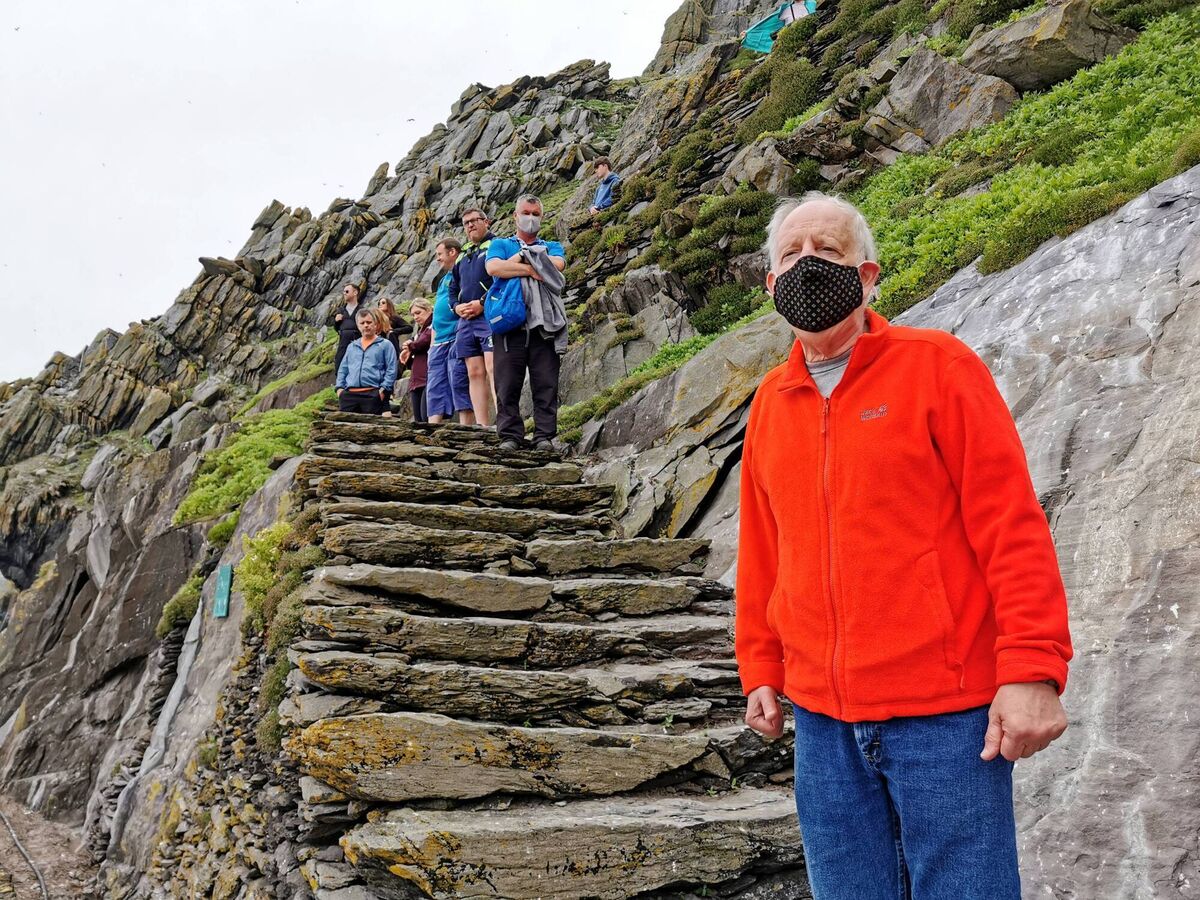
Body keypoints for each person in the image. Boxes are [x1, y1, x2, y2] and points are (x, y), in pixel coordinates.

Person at [736, 192, 1072, 900]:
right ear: (770, 285)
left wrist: (1033, 668)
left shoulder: (938, 367)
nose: (807, 266)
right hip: (823, 729)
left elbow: (1009, 522)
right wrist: (760, 666)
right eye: (790, 256)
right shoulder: (770, 401)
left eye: (827, 252)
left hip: (946, 718)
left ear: (867, 276)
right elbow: (764, 549)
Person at [484, 195, 567, 450]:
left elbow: (558, 265)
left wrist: (519, 261)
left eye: (535, 213)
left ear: (541, 217)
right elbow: (494, 268)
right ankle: (510, 436)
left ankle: (544, 436)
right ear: (515, 216)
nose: (530, 218)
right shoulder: (500, 243)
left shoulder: (553, 245)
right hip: (510, 325)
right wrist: (532, 267)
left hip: (545, 325)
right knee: (507, 383)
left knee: (546, 382)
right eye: (525, 212)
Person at [448, 209, 497, 426]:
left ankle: (504, 421)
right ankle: (482, 425)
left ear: (486, 221)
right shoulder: (463, 255)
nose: (469, 225)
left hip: (488, 316)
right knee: (474, 372)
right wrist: (457, 308)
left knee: (493, 367)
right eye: (466, 223)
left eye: (474, 221)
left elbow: (502, 280)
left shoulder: (496, 245)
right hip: (465, 320)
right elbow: (452, 289)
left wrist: (482, 303)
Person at [426, 238, 475, 425]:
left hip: (456, 335)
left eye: (440, 254)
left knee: (459, 381)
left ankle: (466, 427)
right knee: (435, 384)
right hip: (439, 340)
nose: (438, 259)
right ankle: (434, 425)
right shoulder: (443, 279)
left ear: (452, 252)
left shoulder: (463, 272)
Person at [335, 307, 398, 416]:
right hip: (350, 395)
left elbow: (391, 369)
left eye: (369, 322)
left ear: (375, 324)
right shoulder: (352, 346)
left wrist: (383, 391)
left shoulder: (385, 345)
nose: (366, 325)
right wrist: (339, 389)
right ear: (358, 326)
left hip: (373, 393)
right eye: (362, 323)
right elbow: (343, 369)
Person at [400, 299, 433, 423]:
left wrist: (410, 346)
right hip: (416, 379)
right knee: (419, 420)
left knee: (426, 417)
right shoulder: (419, 332)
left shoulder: (433, 325)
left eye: (418, 313)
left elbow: (423, 342)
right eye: (413, 314)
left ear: (428, 310)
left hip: (428, 377)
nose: (415, 317)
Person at [330, 281, 364, 377]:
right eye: (344, 292)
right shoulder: (340, 310)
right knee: (340, 363)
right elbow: (336, 329)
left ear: (355, 292)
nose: (344, 293)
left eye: (347, 291)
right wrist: (336, 322)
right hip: (343, 341)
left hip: (357, 341)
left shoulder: (361, 310)